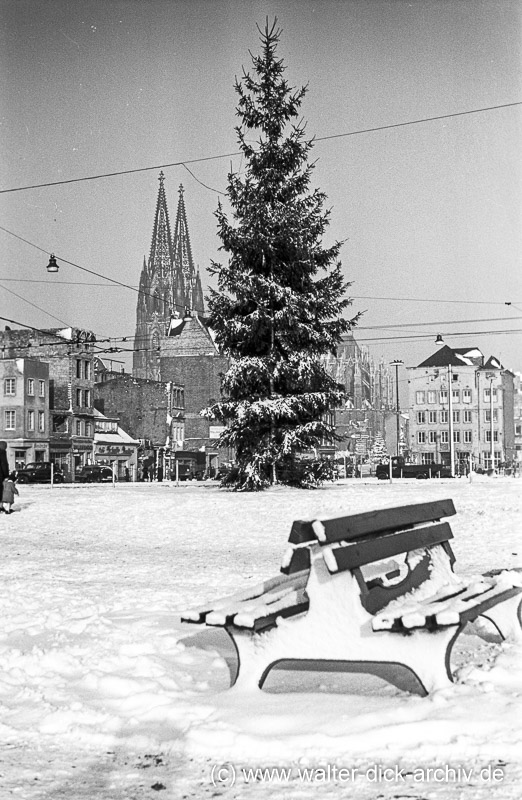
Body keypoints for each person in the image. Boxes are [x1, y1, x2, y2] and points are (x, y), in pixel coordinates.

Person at [0, 441, 10, 514]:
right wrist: (6, 475)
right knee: (1, 490)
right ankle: (0, 507)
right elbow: (4, 464)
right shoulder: (2, 452)